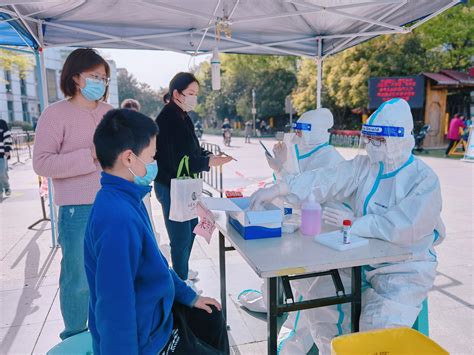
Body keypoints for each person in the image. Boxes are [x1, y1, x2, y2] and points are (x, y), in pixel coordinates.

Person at [250, 98, 445, 354]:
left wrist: (358, 224)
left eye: (380, 141)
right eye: (370, 139)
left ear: (400, 139)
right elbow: (328, 179)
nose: (372, 146)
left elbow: (406, 227)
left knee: (376, 331)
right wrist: (281, 187)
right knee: (318, 299)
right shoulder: (365, 166)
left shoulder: (422, 179)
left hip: (403, 268)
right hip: (358, 259)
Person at [86, 109, 229, 354]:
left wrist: (190, 296)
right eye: (152, 157)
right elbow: (113, 306)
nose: (155, 163)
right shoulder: (117, 219)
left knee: (212, 316)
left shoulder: (127, 198)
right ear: (129, 159)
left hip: (156, 316)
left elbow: (157, 263)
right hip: (145, 340)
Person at [239, 108, 352, 354]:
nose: (297, 134)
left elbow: (309, 193)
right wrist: (279, 168)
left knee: (313, 300)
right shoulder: (303, 151)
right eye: (297, 129)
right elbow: (291, 187)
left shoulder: (330, 159)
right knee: (285, 275)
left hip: (324, 239)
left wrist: (281, 171)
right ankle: (276, 307)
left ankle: (297, 342)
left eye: (304, 130)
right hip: (304, 231)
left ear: (320, 132)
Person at [33, 48, 113, 340]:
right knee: (78, 278)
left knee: (111, 274)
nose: (101, 83)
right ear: (76, 77)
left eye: (104, 78)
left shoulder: (109, 113)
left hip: (112, 204)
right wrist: (88, 155)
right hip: (76, 209)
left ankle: (107, 331)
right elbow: (41, 162)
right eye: (95, 76)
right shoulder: (55, 114)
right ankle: (77, 338)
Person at [154, 72, 233, 282]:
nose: (194, 98)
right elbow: (174, 161)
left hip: (184, 187)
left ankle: (182, 277)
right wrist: (208, 163)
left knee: (189, 233)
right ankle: (179, 286)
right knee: (180, 238)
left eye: (196, 93)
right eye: (190, 93)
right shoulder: (167, 119)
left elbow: (193, 150)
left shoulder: (183, 116)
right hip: (171, 186)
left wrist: (209, 156)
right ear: (176, 93)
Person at [120, 98, 161, 248]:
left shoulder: (142, 134)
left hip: (142, 191)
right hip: (128, 191)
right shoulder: (118, 137)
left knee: (147, 227)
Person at [0, 117, 12, 198]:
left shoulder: (2, 123)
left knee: (1, 172)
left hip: (1, 153)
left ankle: (7, 187)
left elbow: (7, 136)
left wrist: (7, 149)